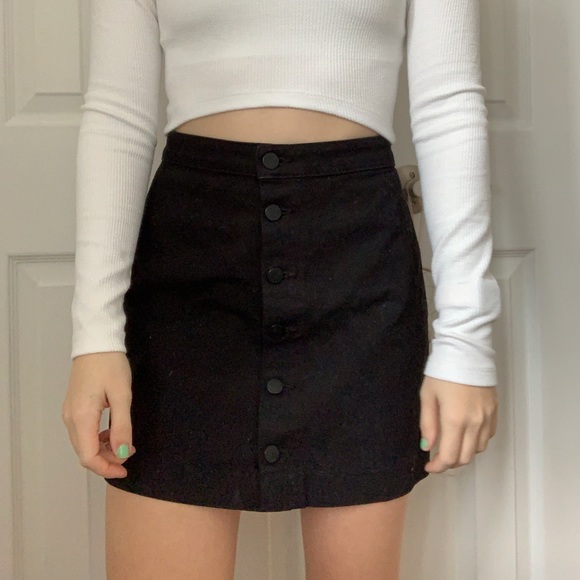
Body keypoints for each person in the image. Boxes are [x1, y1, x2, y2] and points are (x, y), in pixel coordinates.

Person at [61, 0, 501, 578]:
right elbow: (118, 115)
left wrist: (467, 339)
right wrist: (95, 336)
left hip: (356, 259)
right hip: (190, 265)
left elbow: (449, 103)